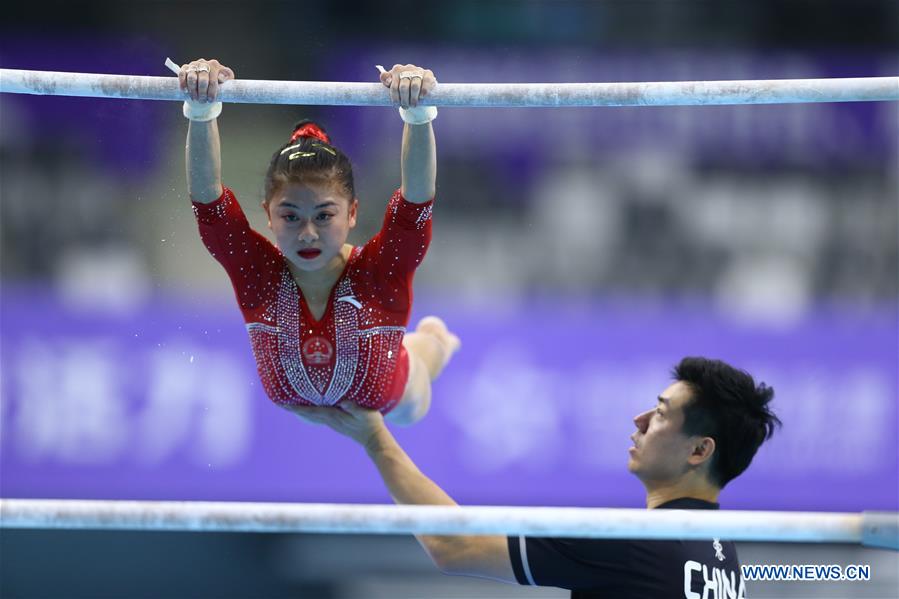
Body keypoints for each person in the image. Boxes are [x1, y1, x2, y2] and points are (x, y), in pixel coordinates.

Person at [293, 356, 780, 598]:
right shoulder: (723, 558)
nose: (638, 421)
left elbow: (454, 544)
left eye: (660, 412)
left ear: (700, 450)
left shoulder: (634, 543)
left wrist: (376, 440)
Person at [179, 59, 459, 425]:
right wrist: (200, 108)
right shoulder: (257, 274)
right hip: (323, 399)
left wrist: (417, 112)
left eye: (324, 216)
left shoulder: (378, 272)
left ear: (353, 212)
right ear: (268, 214)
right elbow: (208, 203)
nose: (307, 233)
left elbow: (416, 201)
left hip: (396, 397)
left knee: (424, 362)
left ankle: (437, 338)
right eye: (290, 216)